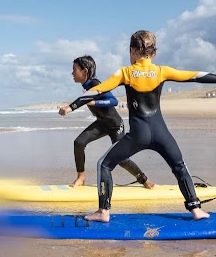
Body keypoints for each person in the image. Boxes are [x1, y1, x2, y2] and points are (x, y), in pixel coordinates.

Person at [59, 30, 216, 222]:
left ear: (132, 50)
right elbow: (194, 76)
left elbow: (96, 91)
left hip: (138, 135)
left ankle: (103, 212)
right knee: (179, 166)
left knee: (104, 165)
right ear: (153, 53)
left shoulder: (125, 73)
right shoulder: (162, 71)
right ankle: (196, 209)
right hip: (162, 133)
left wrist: (70, 107)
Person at [58, 55, 154, 190]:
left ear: (84, 71)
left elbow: (113, 101)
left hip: (115, 126)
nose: (72, 73)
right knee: (79, 143)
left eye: (74, 69)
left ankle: (144, 179)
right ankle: (81, 177)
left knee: (121, 159)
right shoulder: (87, 86)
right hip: (102, 123)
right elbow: (83, 99)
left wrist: (90, 103)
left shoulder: (96, 84)